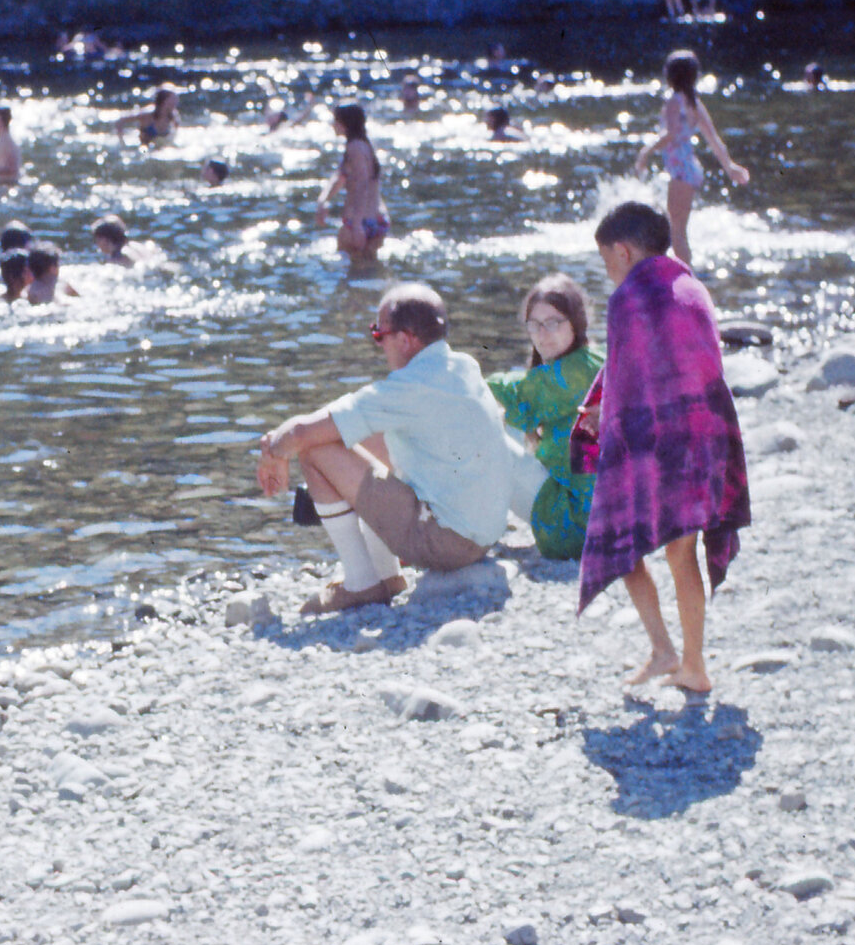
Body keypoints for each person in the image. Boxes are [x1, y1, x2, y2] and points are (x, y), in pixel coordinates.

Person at [571, 202, 750, 692]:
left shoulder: (629, 298)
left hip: (661, 445)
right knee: (681, 552)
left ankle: (666, 651)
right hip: (705, 441)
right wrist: (604, 404)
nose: (607, 270)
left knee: (622, 545)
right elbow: (654, 365)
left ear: (623, 251)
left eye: (606, 258)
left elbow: (631, 383)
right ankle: (691, 664)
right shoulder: (691, 286)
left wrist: (600, 422)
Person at [256, 283, 514, 615]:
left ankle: (362, 585)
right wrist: (281, 442)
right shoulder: (462, 366)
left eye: (379, 334)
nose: (379, 344)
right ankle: (388, 577)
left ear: (405, 340)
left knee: (314, 452)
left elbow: (305, 432)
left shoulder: (408, 388)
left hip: (450, 544)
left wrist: (273, 452)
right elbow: (337, 424)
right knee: (360, 435)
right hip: (483, 532)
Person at [486, 275, 602, 560]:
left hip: (573, 528)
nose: (542, 333)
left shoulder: (574, 373)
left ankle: (463, 528)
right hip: (604, 523)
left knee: (484, 429)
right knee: (502, 419)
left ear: (576, 322)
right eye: (534, 324)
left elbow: (502, 388)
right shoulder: (593, 361)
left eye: (553, 322)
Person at [630, 49, 750, 265]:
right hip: (689, 168)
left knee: (676, 231)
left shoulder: (674, 102)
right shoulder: (694, 102)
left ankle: (687, 278)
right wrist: (729, 166)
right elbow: (713, 138)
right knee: (676, 229)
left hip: (681, 169)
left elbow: (672, 133)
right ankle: (683, 274)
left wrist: (645, 152)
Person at [317, 103, 389, 264]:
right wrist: (323, 200)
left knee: (350, 273)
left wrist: (356, 224)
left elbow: (362, 185)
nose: (333, 125)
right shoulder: (363, 144)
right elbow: (340, 176)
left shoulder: (355, 148)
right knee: (369, 268)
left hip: (359, 222)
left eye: (336, 120)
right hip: (376, 219)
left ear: (345, 123)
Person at [114, 87, 179, 145]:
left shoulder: (173, 115)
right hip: (144, 149)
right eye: (173, 100)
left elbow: (174, 135)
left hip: (162, 150)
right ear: (164, 101)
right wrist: (121, 142)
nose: (176, 102)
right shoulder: (147, 114)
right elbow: (120, 121)